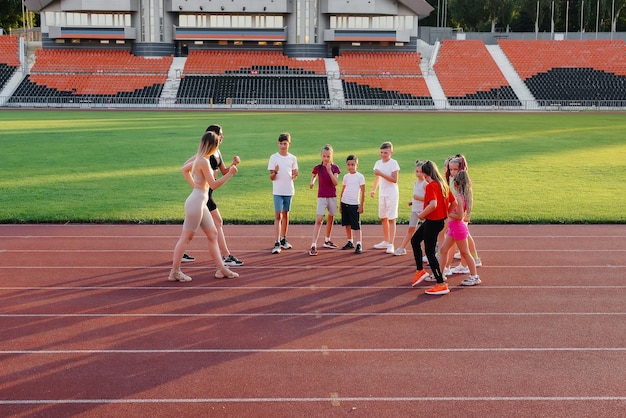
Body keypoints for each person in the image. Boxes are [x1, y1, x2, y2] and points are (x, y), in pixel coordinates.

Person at [169, 131, 239, 282]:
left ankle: (221, 269)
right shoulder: (203, 161)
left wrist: (197, 187)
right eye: (218, 143)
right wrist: (230, 173)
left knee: (213, 234)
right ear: (213, 145)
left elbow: (184, 169)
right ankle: (174, 271)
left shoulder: (201, 158)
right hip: (196, 203)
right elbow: (214, 184)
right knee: (186, 238)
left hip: (200, 202)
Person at [182, 124, 243, 267]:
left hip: (206, 193)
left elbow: (223, 171)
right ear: (213, 135)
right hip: (205, 194)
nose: (222, 136)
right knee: (217, 221)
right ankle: (226, 256)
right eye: (220, 134)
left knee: (195, 225)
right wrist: (196, 187)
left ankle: (183, 250)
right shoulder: (205, 155)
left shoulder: (217, 152)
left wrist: (233, 164)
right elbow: (185, 166)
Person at [410, 160, 456, 295]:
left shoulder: (431, 186)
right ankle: (420, 270)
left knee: (430, 252)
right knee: (415, 240)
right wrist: (446, 213)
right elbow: (453, 202)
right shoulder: (443, 185)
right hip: (437, 221)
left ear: (425, 173)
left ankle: (441, 283)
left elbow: (433, 204)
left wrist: (421, 215)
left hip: (432, 222)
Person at [439, 170, 480, 286]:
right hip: (453, 229)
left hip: (458, 228)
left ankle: (474, 276)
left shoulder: (459, 198)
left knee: (465, 253)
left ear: (456, 184)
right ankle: (440, 274)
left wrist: (447, 213)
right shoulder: (462, 197)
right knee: (443, 250)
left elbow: (460, 216)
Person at [445, 155, 482, 274]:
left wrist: (456, 213)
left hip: (459, 215)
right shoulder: (455, 181)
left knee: (462, 241)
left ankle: (464, 264)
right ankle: (471, 260)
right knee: (463, 239)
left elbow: (466, 199)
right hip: (457, 215)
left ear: (461, 168)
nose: (452, 172)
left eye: (455, 169)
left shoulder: (461, 183)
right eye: (450, 169)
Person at [268, 132, 299, 254]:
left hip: (288, 190)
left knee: (286, 214)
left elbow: (294, 174)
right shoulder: (274, 158)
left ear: (289, 144)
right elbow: (271, 177)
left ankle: (284, 239)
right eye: (281, 143)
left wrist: (295, 175)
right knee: (278, 215)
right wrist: (275, 172)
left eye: (285, 143)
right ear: (278, 144)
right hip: (277, 191)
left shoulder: (293, 158)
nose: (283, 146)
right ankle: (277, 242)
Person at [308, 144, 340, 256]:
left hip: (332, 196)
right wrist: (312, 182)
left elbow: (335, 182)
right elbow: (314, 175)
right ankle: (313, 244)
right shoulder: (318, 167)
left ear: (331, 156)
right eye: (324, 156)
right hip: (321, 196)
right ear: (321, 156)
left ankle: (327, 240)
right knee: (319, 219)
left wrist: (330, 171)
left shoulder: (335, 168)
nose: (326, 158)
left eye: (328, 156)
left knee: (331, 217)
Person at [369, 141, 400, 254]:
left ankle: (391, 243)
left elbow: (394, 179)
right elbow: (377, 178)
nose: (383, 155)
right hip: (382, 193)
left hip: (392, 194)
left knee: (391, 219)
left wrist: (380, 174)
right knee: (383, 217)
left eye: (385, 152)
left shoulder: (393, 163)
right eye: (381, 152)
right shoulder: (378, 163)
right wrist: (373, 189)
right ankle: (386, 241)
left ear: (391, 152)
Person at [394, 160, 427, 256]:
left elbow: (430, 199)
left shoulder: (425, 184)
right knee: (410, 229)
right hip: (415, 210)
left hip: (424, 211)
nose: (418, 174)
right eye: (417, 171)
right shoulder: (415, 183)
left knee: (426, 232)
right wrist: (413, 202)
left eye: (420, 172)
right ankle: (402, 248)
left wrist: (418, 198)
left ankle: (430, 252)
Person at [339, 154, 365, 254]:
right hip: (345, 202)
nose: (350, 167)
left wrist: (362, 205)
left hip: (354, 204)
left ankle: (359, 243)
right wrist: (340, 203)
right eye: (348, 165)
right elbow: (343, 190)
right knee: (347, 224)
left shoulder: (360, 177)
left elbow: (363, 192)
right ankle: (350, 241)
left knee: (356, 225)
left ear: (357, 165)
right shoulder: (346, 176)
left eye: (352, 165)